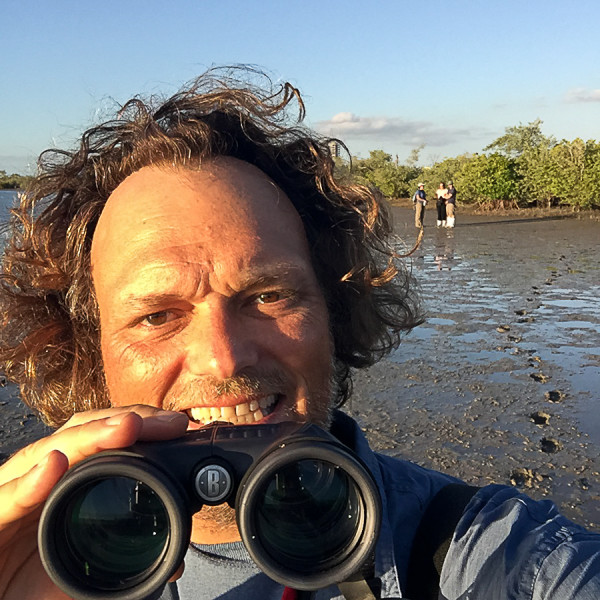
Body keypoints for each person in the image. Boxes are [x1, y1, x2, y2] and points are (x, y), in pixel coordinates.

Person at [0, 69, 599, 600]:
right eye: (157, 316)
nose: (221, 354)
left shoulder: (472, 554)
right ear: (87, 350)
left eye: (267, 296)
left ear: (334, 309)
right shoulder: (39, 559)